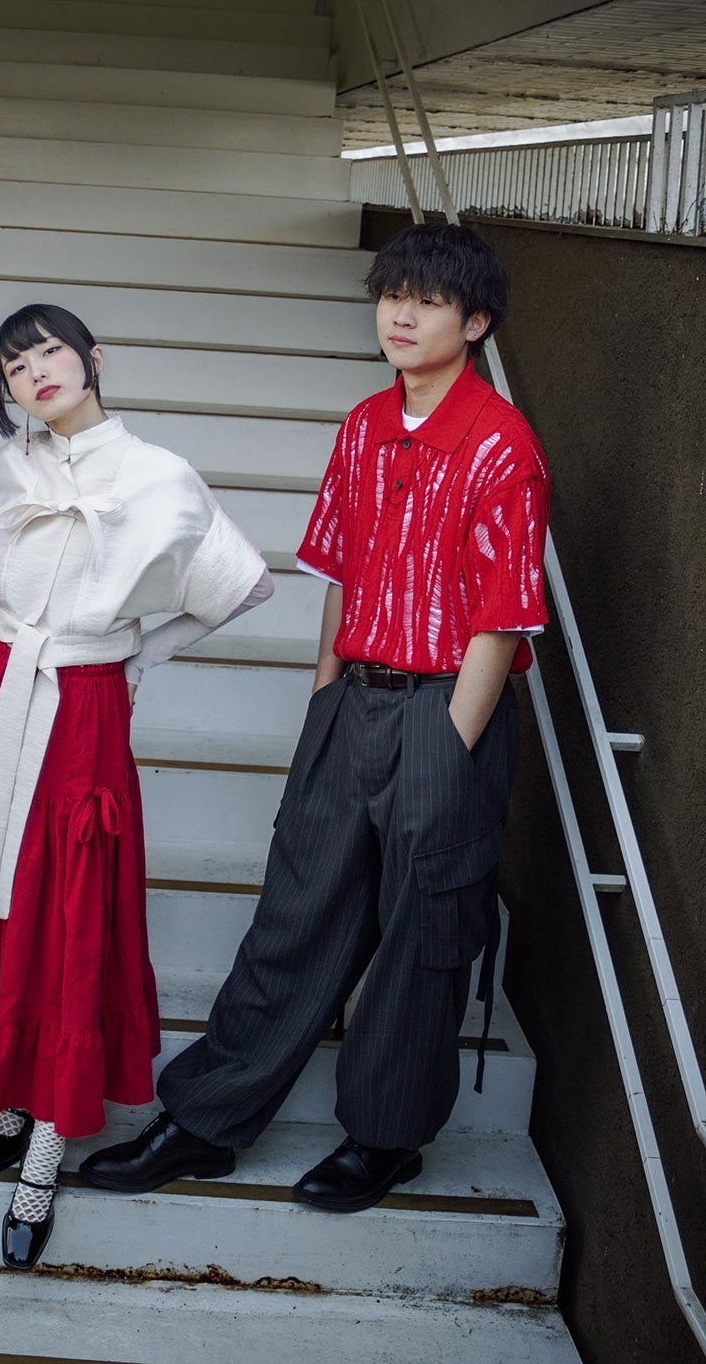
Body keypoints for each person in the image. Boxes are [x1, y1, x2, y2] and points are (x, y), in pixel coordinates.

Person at [80, 221, 550, 1214]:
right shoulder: (364, 425)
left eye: (427, 301)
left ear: (474, 322)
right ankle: (207, 1120)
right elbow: (341, 572)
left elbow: (502, 617)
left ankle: (383, 1139)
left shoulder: (502, 445)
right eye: (392, 295)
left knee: (423, 932)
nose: (401, 315)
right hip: (352, 703)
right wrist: (326, 692)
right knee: (297, 912)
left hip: (444, 713)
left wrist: (448, 742)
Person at [0, 304, 271, 1270]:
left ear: (94, 357)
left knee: (68, 903)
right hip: (0, 687)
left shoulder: (157, 473)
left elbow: (244, 582)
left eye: (50, 351)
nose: (36, 373)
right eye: (15, 366)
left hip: (84, 703)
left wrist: (139, 655)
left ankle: (45, 1147)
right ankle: (10, 1097)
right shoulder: (9, 470)